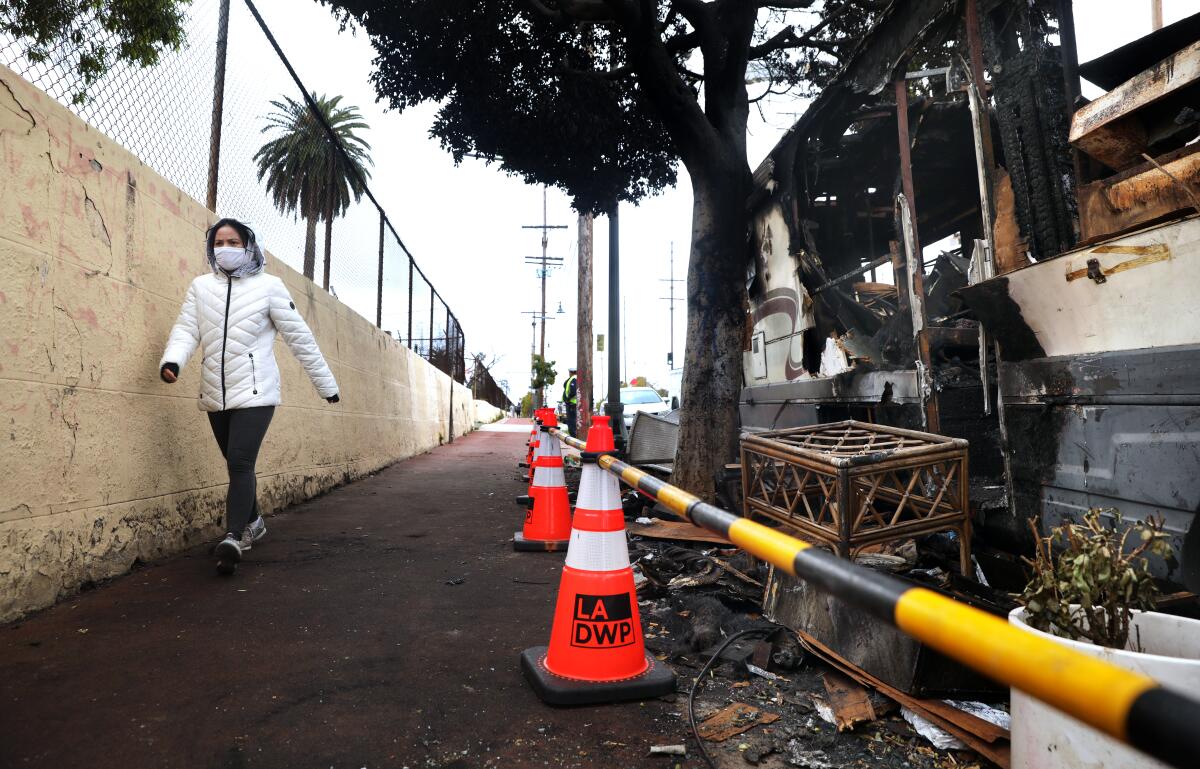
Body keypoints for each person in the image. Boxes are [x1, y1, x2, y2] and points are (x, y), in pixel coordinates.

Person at [159, 218, 339, 574]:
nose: (225, 248)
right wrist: (173, 361)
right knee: (235, 464)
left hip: (257, 393)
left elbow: (299, 338)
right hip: (215, 392)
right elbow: (186, 330)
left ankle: (234, 535)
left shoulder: (269, 287)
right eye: (219, 242)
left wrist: (327, 386)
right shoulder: (200, 287)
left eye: (234, 241)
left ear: (249, 245)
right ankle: (254, 521)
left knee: (240, 463)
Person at [562, 366, 578, 438]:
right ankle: (574, 436)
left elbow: (573, 391)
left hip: (572, 403)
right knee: (572, 422)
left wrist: (568, 399)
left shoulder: (574, 379)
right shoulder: (573, 379)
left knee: (572, 422)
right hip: (572, 403)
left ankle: (574, 437)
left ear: (571, 372)